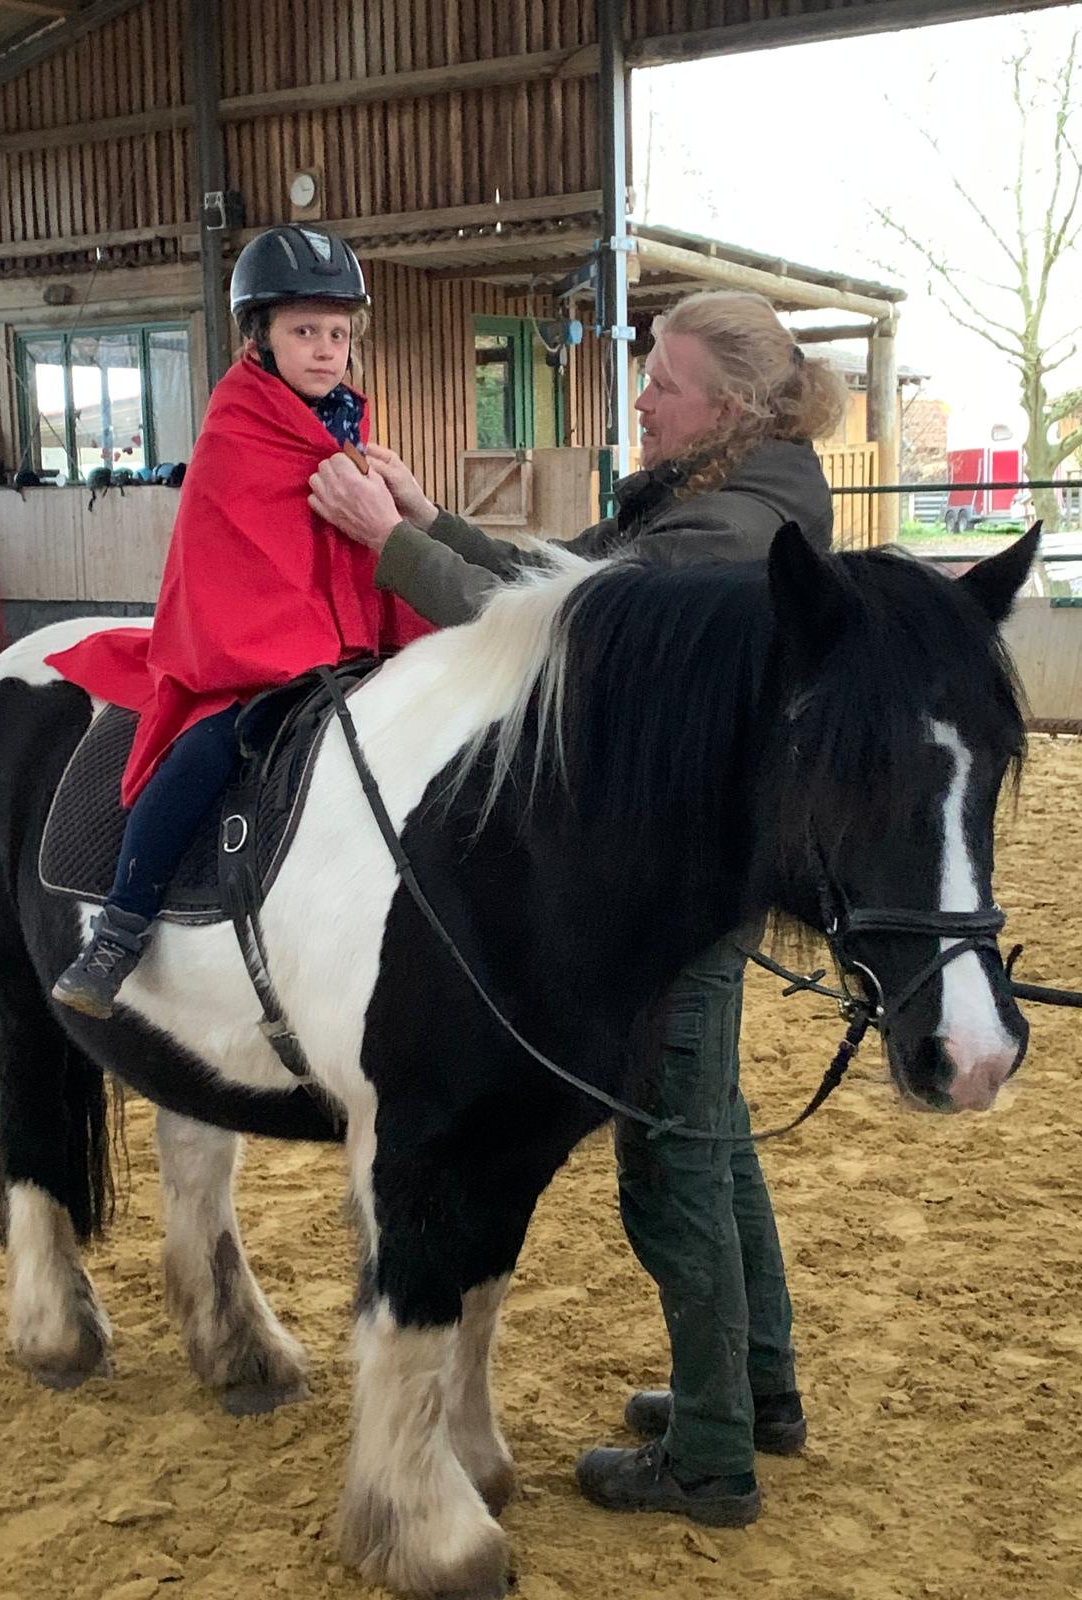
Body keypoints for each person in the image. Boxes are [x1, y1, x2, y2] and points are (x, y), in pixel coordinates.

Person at [309, 290, 848, 1529]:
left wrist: (389, 547)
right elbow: (564, 575)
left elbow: (558, 636)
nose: (641, 399)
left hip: (673, 884)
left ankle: (710, 1453)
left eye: (663, 380)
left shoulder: (732, 529)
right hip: (693, 869)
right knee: (717, 1134)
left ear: (730, 404)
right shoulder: (725, 489)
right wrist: (427, 518)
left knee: (674, 1159)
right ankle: (756, 1389)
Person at [45, 226, 432, 1019]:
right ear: (260, 336)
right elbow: (232, 563)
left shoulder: (349, 432)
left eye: (338, 334)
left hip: (351, 652)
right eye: (304, 331)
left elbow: (365, 551)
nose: (325, 350)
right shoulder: (236, 432)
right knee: (206, 749)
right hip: (258, 658)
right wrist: (294, 648)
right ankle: (120, 928)